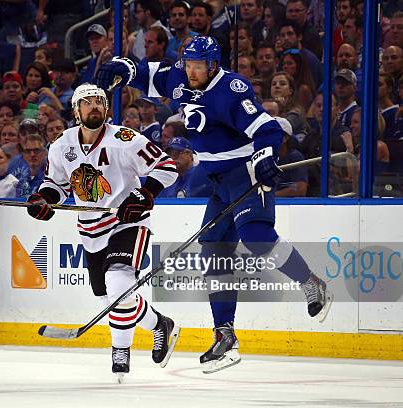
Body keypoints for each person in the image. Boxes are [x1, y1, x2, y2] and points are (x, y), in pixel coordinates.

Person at [95, 36, 333, 374]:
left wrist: (265, 155)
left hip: (244, 172)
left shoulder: (232, 89)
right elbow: (151, 76)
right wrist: (125, 67)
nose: (191, 72)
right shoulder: (180, 76)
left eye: (198, 66)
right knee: (213, 252)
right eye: (188, 64)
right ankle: (225, 335)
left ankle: (311, 283)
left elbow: (266, 128)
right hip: (217, 180)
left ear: (213, 64)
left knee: (257, 238)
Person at [26, 84, 180, 380]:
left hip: (128, 222)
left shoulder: (125, 139)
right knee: (109, 296)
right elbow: (56, 185)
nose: (94, 106)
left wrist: (144, 195)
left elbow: (166, 166)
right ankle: (159, 324)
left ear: (107, 109)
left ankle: (120, 350)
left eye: (100, 102)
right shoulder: (61, 145)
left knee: (119, 282)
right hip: (91, 230)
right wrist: (43, 200)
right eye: (87, 102)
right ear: (76, 111)